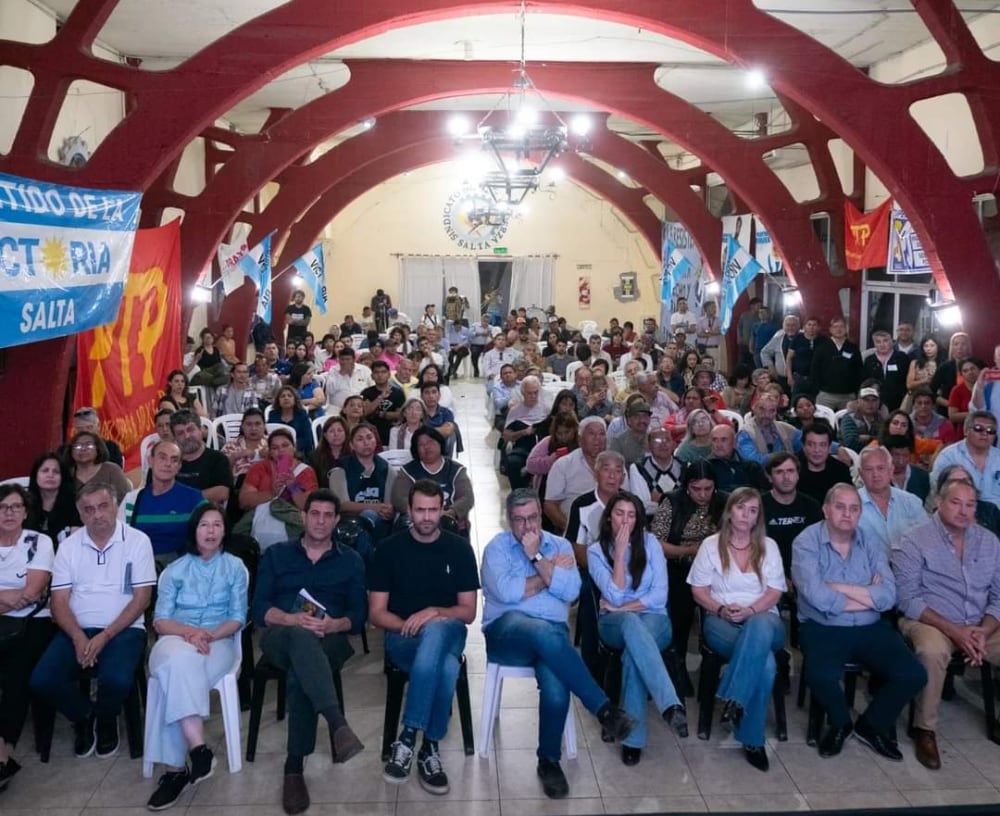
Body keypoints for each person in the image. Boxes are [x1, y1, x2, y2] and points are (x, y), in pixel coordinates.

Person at [480, 489, 637, 799]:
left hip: (551, 638)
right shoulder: (496, 549)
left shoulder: (560, 545)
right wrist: (548, 574)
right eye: (519, 520)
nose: (528, 527)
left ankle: (549, 761)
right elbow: (509, 592)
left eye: (533, 518)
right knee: (545, 632)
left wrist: (537, 558)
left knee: (555, 681)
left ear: (541, 514)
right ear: (509, 520)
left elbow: (571, 592)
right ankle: (604, 709)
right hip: (506, 633)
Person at [792, 483, 927, 760]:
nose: (847, 514)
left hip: (870, 626)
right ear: (826, 510)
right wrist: (867, 593)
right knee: (820, 675)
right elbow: (817, 597)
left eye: (854, 508)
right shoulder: (806, 542)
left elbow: (889, 596)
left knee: (914, 674)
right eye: (840, 507)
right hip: (823, 627)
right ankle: (841, 723)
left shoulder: (870, 541)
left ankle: (871, 726)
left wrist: (838, 587)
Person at [252, 490, 366, 815]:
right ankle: (336, 722)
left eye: (328, 515)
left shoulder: (350, 560)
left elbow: (358, 617)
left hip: (330, 638)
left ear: (336, 520)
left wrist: (333, 624)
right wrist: (289, 619)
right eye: (314, 514)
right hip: (280, 635)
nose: (320, 521)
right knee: (300, 639)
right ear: (303, 517)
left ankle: (293, 767)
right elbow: (260, 608)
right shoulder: (277, 555)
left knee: (303, 667)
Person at [30, 483, 156, 761]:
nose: (97, 515)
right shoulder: (68, 546)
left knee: (116, 679)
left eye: (103, 506)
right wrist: (78, 637)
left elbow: (141, 599)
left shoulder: (137, 541)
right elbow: (59, 601)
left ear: (114, 506)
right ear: (80, 513)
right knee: (42, 679)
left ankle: (107, 719)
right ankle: (87, 716)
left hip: (123, 629)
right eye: (89, 510)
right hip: (76, 628)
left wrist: (105, 636)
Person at [370, 480, 479, 793]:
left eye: (434, 509)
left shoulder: (458, 549)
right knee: (446, 667)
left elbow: (468, 612)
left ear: (442, 509)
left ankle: (407, 736)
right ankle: (429, 746)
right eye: (420, 510)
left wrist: (432, 612)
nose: (427, 517)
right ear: (409, 510)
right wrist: (410, 625)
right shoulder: (389, 549)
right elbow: (376, 613)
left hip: (450, 632)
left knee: (438, 628)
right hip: (402, 636)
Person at [143, 504, 248, 810]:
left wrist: (209, 635)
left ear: (225, 531)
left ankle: (175, 772)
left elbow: (237, 617)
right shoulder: (175, 571)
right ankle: (198, 749)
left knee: (172, 675)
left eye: (217, 525)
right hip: (174, 639)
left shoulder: (235, 567)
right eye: (204, 525)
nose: (211, 531)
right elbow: (160, 621)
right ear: (194, 530)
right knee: (178, 661)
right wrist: (190, 633)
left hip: (219, 643)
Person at [893, 477, 1000, 769]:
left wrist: (984, 630)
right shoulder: (915, 539)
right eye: (956, 503)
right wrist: (956, 632)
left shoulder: (989, 541)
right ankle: (925, 729)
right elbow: (907, 599)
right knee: (932, 651)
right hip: (930, 620)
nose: (964, 511)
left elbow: (999, 595)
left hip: (980, 624)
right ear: (939, 503)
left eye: (971, 504)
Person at [689, 487, 788, 771]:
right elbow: (698, 591)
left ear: (759, 516)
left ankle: (734, 697)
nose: (746, 515)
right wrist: (720, 609)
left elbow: (774, 592)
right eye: (741, 508)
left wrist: (750, 610)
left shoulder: (769, 546)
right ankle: (752, 738)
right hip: (721, 621)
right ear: (730, 511)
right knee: (766, 665)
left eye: (753, 510)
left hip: (765, 619)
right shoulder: (711, 545)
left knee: (759, 623)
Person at [589, 491, 688, 765]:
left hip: (655, 620)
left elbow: (659, 596)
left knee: (634, 653)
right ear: (609, 517)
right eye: (620, 514)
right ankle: (670, 705)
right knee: (631, 627)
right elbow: (617, 593)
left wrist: (622, 606)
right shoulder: (596, 551)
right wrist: (619, 555)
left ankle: (633, 738)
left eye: (632, 515)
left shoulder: (652, 544)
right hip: (613, 625)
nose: (626, 520)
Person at [651, 461, 727, 694]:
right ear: (686, 486)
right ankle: (678, 667)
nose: (703, 495)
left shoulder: (724, 501)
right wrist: (689, 551)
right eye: (696, 489)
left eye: (708, 488)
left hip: (716, 570)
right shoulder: (672, 501)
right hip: (679, 566)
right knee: (680, 615)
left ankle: (712, 668)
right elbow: (656, 543)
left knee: (717, 616)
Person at [0, 484, 55, 792]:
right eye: (3, 507)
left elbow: (33, 593)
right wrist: (13, 596)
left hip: (33, 623)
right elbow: (23, 594)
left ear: (25, 512)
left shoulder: (38, 541)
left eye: (15, 507)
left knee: (15, 677)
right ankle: (3, 757)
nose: (9, 513)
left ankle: (3, 756)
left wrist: (15, 597)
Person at [119, 440, 205, 564]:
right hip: (139, 567)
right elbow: (120, 540)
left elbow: (209, 536)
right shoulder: (132, 499)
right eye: (162, 458)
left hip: (181, 569)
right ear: (150, 461)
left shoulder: (194, 498)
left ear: (179, 466)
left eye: (174, 460)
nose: (168, 464)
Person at [329, 423, 396, 555]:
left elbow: (388, 505)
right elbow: (342, 505)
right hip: (349, 522)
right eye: (360, 439)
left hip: (380, 521)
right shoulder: (340, 469)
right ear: (352, 445)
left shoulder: (387, 469)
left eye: (369, 437)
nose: (366, 442)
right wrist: (374, 507)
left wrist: (388, 511)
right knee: (367, 517)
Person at [391, 427, 474, 535]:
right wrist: (419, 513)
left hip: (448, 516)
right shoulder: (407, 471)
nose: (427, 447)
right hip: (415, 519)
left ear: (440, 443)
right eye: (421, 445)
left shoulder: (456, 470)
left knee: (447, 525)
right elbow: (399, 499)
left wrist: (449, 513)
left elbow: (467, 497)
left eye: (431, 442)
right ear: (416, 450)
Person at [855, 446, 928, 556]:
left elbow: (927, 540)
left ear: (891, 470)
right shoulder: (850, 505)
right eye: (869, 469)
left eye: (881, 468)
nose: (875, 475)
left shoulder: (911, 502)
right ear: (860, 473)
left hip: (911, 567)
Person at [762, 452, 822, 577]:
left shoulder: (812, 506)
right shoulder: (758, 507)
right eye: (779, 472)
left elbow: (819, 546)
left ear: (797, 475)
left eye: (790, 471)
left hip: (807, 573)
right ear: (769, 477)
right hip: (768, 574)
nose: (786, 477)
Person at [543, 416, 607, 533]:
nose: (597, 439)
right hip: (574, 532)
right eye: (591, 434)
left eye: (602, 434)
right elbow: (550, 505)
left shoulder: (616, 465)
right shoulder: (563, 465)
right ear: (579, 439)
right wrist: (573, 530)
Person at [931, 411, 1000, 509]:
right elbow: (938, 491)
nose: (985, 433)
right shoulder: (949, 456)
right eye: (978, 428)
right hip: (961, 513)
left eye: (990, 430)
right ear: (966, 431)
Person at [170, 410, 234, 506]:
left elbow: (222, 493)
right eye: (180, 433)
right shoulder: (169, 462)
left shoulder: (218, 459)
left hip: (205, 514)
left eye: (190, 430)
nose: (187, 436)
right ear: (174, 438)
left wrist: (184, 499)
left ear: (200, 430)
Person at [26, 452, 80, 545]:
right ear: (36, 475)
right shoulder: (24, 504)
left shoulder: (75, 504)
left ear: (62, 477)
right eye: (45, 470)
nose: (50, 475)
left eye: (56, 472)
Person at [810, 316, 863, 411]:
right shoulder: (822, 348)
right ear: (830, 329)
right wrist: (816, 391)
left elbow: (859, 371)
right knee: (823, 423)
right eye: (835, 327)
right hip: (825, 395)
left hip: (848, 396)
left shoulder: (853, 348)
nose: (839, 329)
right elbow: (814, 371)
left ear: (846, 329)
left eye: (841, 326)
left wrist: (856, 393)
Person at [796, 422, 853, 506]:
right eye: (811, 444)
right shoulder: (793, 470)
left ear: (830, 448)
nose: (817, 450)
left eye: (822, 445)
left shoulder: (841, 470)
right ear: (803, 446)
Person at [66, 431, 133, 502]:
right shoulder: (66, 473)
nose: (83, 449)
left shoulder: (112, 470)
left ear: (98, 449)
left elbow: (125, 500)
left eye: (89, 445)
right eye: (77, 446)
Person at [526, 413, 580, 498]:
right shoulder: (548, 442)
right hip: (548, 487)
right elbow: (530, 465)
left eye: (567, 432)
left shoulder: (581, 443)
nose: (563, 437)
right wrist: (551, 460)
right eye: (559, 433)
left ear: (574, 429)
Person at [736, 394, 800, 465]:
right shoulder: (746, 433)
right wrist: (784, 459)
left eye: (771, 411)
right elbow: (752, 461)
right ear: (754, 408)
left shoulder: (786, 428)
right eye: (762, 409)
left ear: (776, 412)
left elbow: (805, 443)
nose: (766, 415)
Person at [708, 423, 768, 494]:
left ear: (734, 442)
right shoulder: (705, 467)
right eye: (714, 440)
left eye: (724, 440)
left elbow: (764, 493)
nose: (719, 444)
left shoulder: (751, 467)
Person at [862, 330, 910, 411]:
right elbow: (864, 382)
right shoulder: (869, 360)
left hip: (898, 402)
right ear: (874, 344)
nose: (882, 344)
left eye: (885, 341)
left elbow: (907, 381)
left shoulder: (902, 358)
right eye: (878, 342)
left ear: (892, 341)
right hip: (874, 403)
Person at [221, 407, 269, 482]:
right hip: (239, 488)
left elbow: (287, 465)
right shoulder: (231, 446)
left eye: (258, 424)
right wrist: (234, 457)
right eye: (249, 424)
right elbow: (220, 473)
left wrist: (273, 455)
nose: (253, 428)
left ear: (264, 426)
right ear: (242, 426)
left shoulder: (273, 443)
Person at [361, 360, 404, 445]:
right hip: (370, 435)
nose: (380, 375)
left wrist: (382, 414)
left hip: (392, 435)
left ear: (388, 374)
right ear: (372, 376)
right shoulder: (366, 392)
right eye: (376, 372)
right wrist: (381, 397)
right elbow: (365, 412)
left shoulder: (398, 392)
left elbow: (401, 415)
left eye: (383, 372)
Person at [931, 331, 972, 417]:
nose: (959, 347)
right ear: (951, 347)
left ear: (968, 347)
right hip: (946, 413)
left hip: (972, 412)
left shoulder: (977, 365)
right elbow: (931, 392)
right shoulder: (944, 367)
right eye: (956, 344)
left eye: (963, 344)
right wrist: (950, 404)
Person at [269, 386, 315, 456]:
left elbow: (308, 440)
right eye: (282, 396)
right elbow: (270, 436)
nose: (286, 398)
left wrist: (290, 447)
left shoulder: (302, 414)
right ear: (278, 400)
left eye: (289, 396)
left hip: (298, 452)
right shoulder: (273, 415)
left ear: (295, 399)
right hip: (277, 452)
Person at [884, 436, 931, 503]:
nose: (901, 461)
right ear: (887, 455)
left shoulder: (923, 477)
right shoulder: (878, 477)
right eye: (897, 455)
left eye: (905, 456)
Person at [608, 397, 652, 468]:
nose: (641, 420)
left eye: (645, 416)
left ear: (649, 419)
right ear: (629, 420)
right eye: (636, 417)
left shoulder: (654, 440)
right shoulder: (618, 442)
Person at [839, 386, 884, 451]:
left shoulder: (881, 419)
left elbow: (886, 440)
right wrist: (874, 440)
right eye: (866, 400)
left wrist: (868, 438)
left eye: (874, 400)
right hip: (851, 457)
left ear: (878, 402)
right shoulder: (849, 418)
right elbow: (851, 443)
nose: (870, 403)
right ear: (858, 401)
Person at [947, 356, 984, 430]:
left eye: (972, 368)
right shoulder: (957, 390)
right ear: (961, 374)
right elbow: (952, 416)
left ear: (979, 370)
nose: (970, 372)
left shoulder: (989, 387)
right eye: (965, 371)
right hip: (965, 433)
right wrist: (977, 414)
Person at [310, 415, 350, 481]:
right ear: (325, 435)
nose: (336, 434)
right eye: (331, 431)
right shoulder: (314, 457)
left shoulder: (354, 455)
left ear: (346, 433)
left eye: (340, 430)